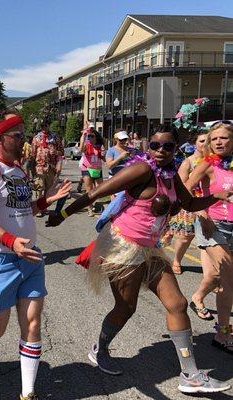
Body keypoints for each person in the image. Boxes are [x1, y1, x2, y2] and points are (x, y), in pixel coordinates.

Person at [47, 126, 232, 394]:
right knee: (126, 308)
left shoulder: (169, 174)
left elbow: (189, 204)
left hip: (149, 247)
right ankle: (100, 349)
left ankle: (190, 375)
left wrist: (215, 196)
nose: (160, 151)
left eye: (167, 147)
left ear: (176, 149)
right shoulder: (142, 170)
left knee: (178, 304)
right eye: (155, 146)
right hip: (123, 245)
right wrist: (62, 215)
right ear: (148, 147)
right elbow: (98, 192)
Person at [0, 109, 71, 400]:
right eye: (18, 135)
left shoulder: (19, 169)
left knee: (33, 323)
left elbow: (24, 210)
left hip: (30, 258)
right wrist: (11, 241)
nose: (25, 141)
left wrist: (48, 199)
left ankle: (28, 392)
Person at [185, 122, 233, 353]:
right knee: (229, 278)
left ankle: (197, 297)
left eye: (223, 138)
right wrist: (200, 210)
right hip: (213, 226)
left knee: (216, 276)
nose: (218, 142)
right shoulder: (207, 164)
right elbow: (185, 189)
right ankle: (223, 333)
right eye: (214, 139)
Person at [165, 132, 208, 275]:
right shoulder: (188, 162)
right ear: (194, 143)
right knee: (185, 238)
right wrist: (195, 206)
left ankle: (211, 274)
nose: (205, 143)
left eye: (208, 140)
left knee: (208, 241)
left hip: (209, 204)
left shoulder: (216, 161)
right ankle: (177, 260)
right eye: (202, 140)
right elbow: (183, 186)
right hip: (191, 204)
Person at [32, 122, 63, 204]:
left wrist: (56, 152)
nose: (43, 127)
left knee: (48, 189)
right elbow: (33, 153)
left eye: (45, 125)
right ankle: (38, 206)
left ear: (48, 126)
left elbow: (62, 152)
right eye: (42, 126)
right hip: (39, 166)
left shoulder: (55, 137)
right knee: (39, 187)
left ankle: (43, 206)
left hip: (51, 167)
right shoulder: (37, 138)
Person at [79, 127, 105, 216]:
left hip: (97, 169)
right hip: (86, 168)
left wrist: (103, 154)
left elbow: (104, 159)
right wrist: (83, 135)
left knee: (101, 189)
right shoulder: (86, 144)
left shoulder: (100, 145)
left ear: (96, 137)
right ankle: (90, 208)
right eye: (88, 136)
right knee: (89, 189)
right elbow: (80, 149)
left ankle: (95, 203)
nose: (89, 137)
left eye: (91, 136)